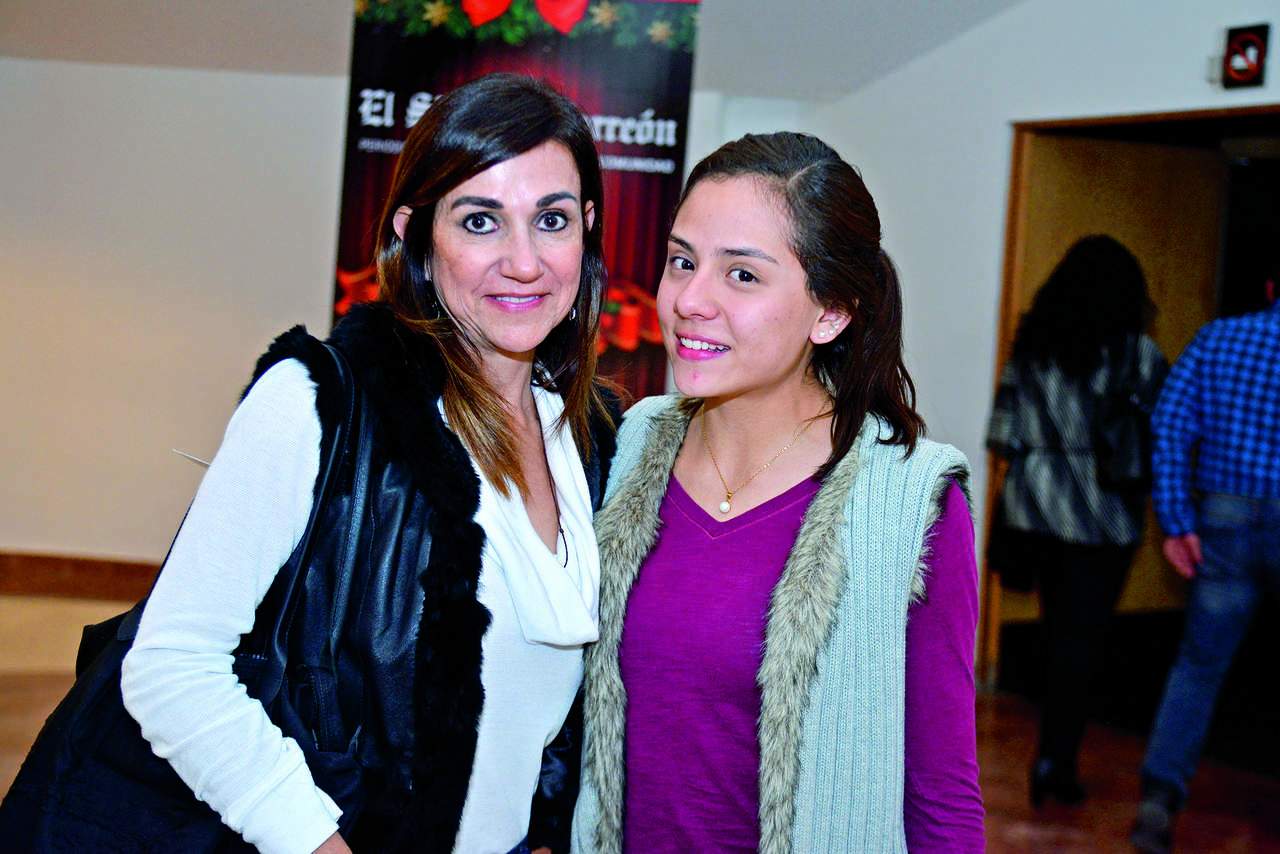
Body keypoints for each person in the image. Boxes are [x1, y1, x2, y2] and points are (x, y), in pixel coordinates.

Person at [3, 74, 615, 854]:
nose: (523, 262)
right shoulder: (315, 403)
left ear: (586, 228)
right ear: (415, 235)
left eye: (551, 220)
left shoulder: (590, 439)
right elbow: (171, 665)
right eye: (479, 220)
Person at [570, 132, 984, 853]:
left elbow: (941, 791)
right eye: (682, 261)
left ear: (831, 312)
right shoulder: (628, 445)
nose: (690, 301)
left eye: (742, 275)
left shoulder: (909, 503)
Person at [985, 235, 1168, 806]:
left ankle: (1051, 751)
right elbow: (1159, 435)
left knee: (1055, 630)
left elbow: (1003, 432)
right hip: (1103, 513)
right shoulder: (1139, 354)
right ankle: (1055, 761)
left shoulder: (1034, 343)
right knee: (1083, 639)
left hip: (1036, 502)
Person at [1130, 271, 1280, 854]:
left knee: (1197, 667)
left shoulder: (1218, 339)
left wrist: (1177, 520)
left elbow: (1169, 422)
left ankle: (1157, 803)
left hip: (1224, 517)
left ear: (1270, 287)